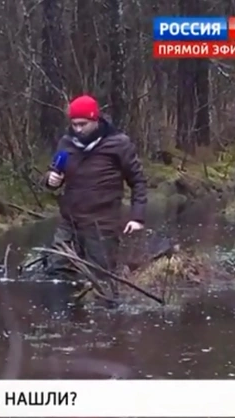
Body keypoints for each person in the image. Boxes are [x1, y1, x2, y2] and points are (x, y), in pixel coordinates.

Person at [42, 95, 147, 300]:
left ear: (95, 120)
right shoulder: (66, 143)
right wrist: (50, 179)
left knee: (101, 279)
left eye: (83, 124)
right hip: (69, 222)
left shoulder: (118, 144)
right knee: (57, 271)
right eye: (74, 124)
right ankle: (63, 324)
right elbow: (53, 172)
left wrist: (137, 217)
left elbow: (138, 182)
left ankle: (100, 325)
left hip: (103, 224)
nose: (78, 129)